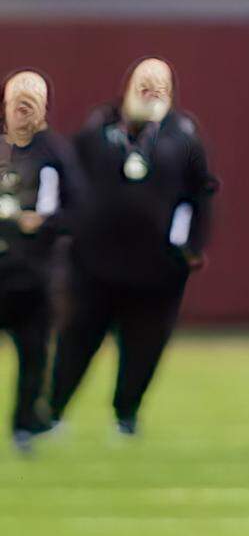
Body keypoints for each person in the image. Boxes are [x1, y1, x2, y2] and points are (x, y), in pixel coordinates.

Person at [50, 58, 218, 436]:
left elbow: (201, 195)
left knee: (144, 345)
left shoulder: (184, 138)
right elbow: (69, 182)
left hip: (157, 267)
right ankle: (55, 410)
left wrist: (192, 246)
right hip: (95, 264)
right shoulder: (97, 130)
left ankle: (126, 415)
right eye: (145, 82)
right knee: (77, 339)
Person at [0, 70, 85, 453]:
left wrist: (46, 223)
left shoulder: (55, 152)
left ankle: (24, 426)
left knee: (34, 354)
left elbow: (79, 209)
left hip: (35, 275)